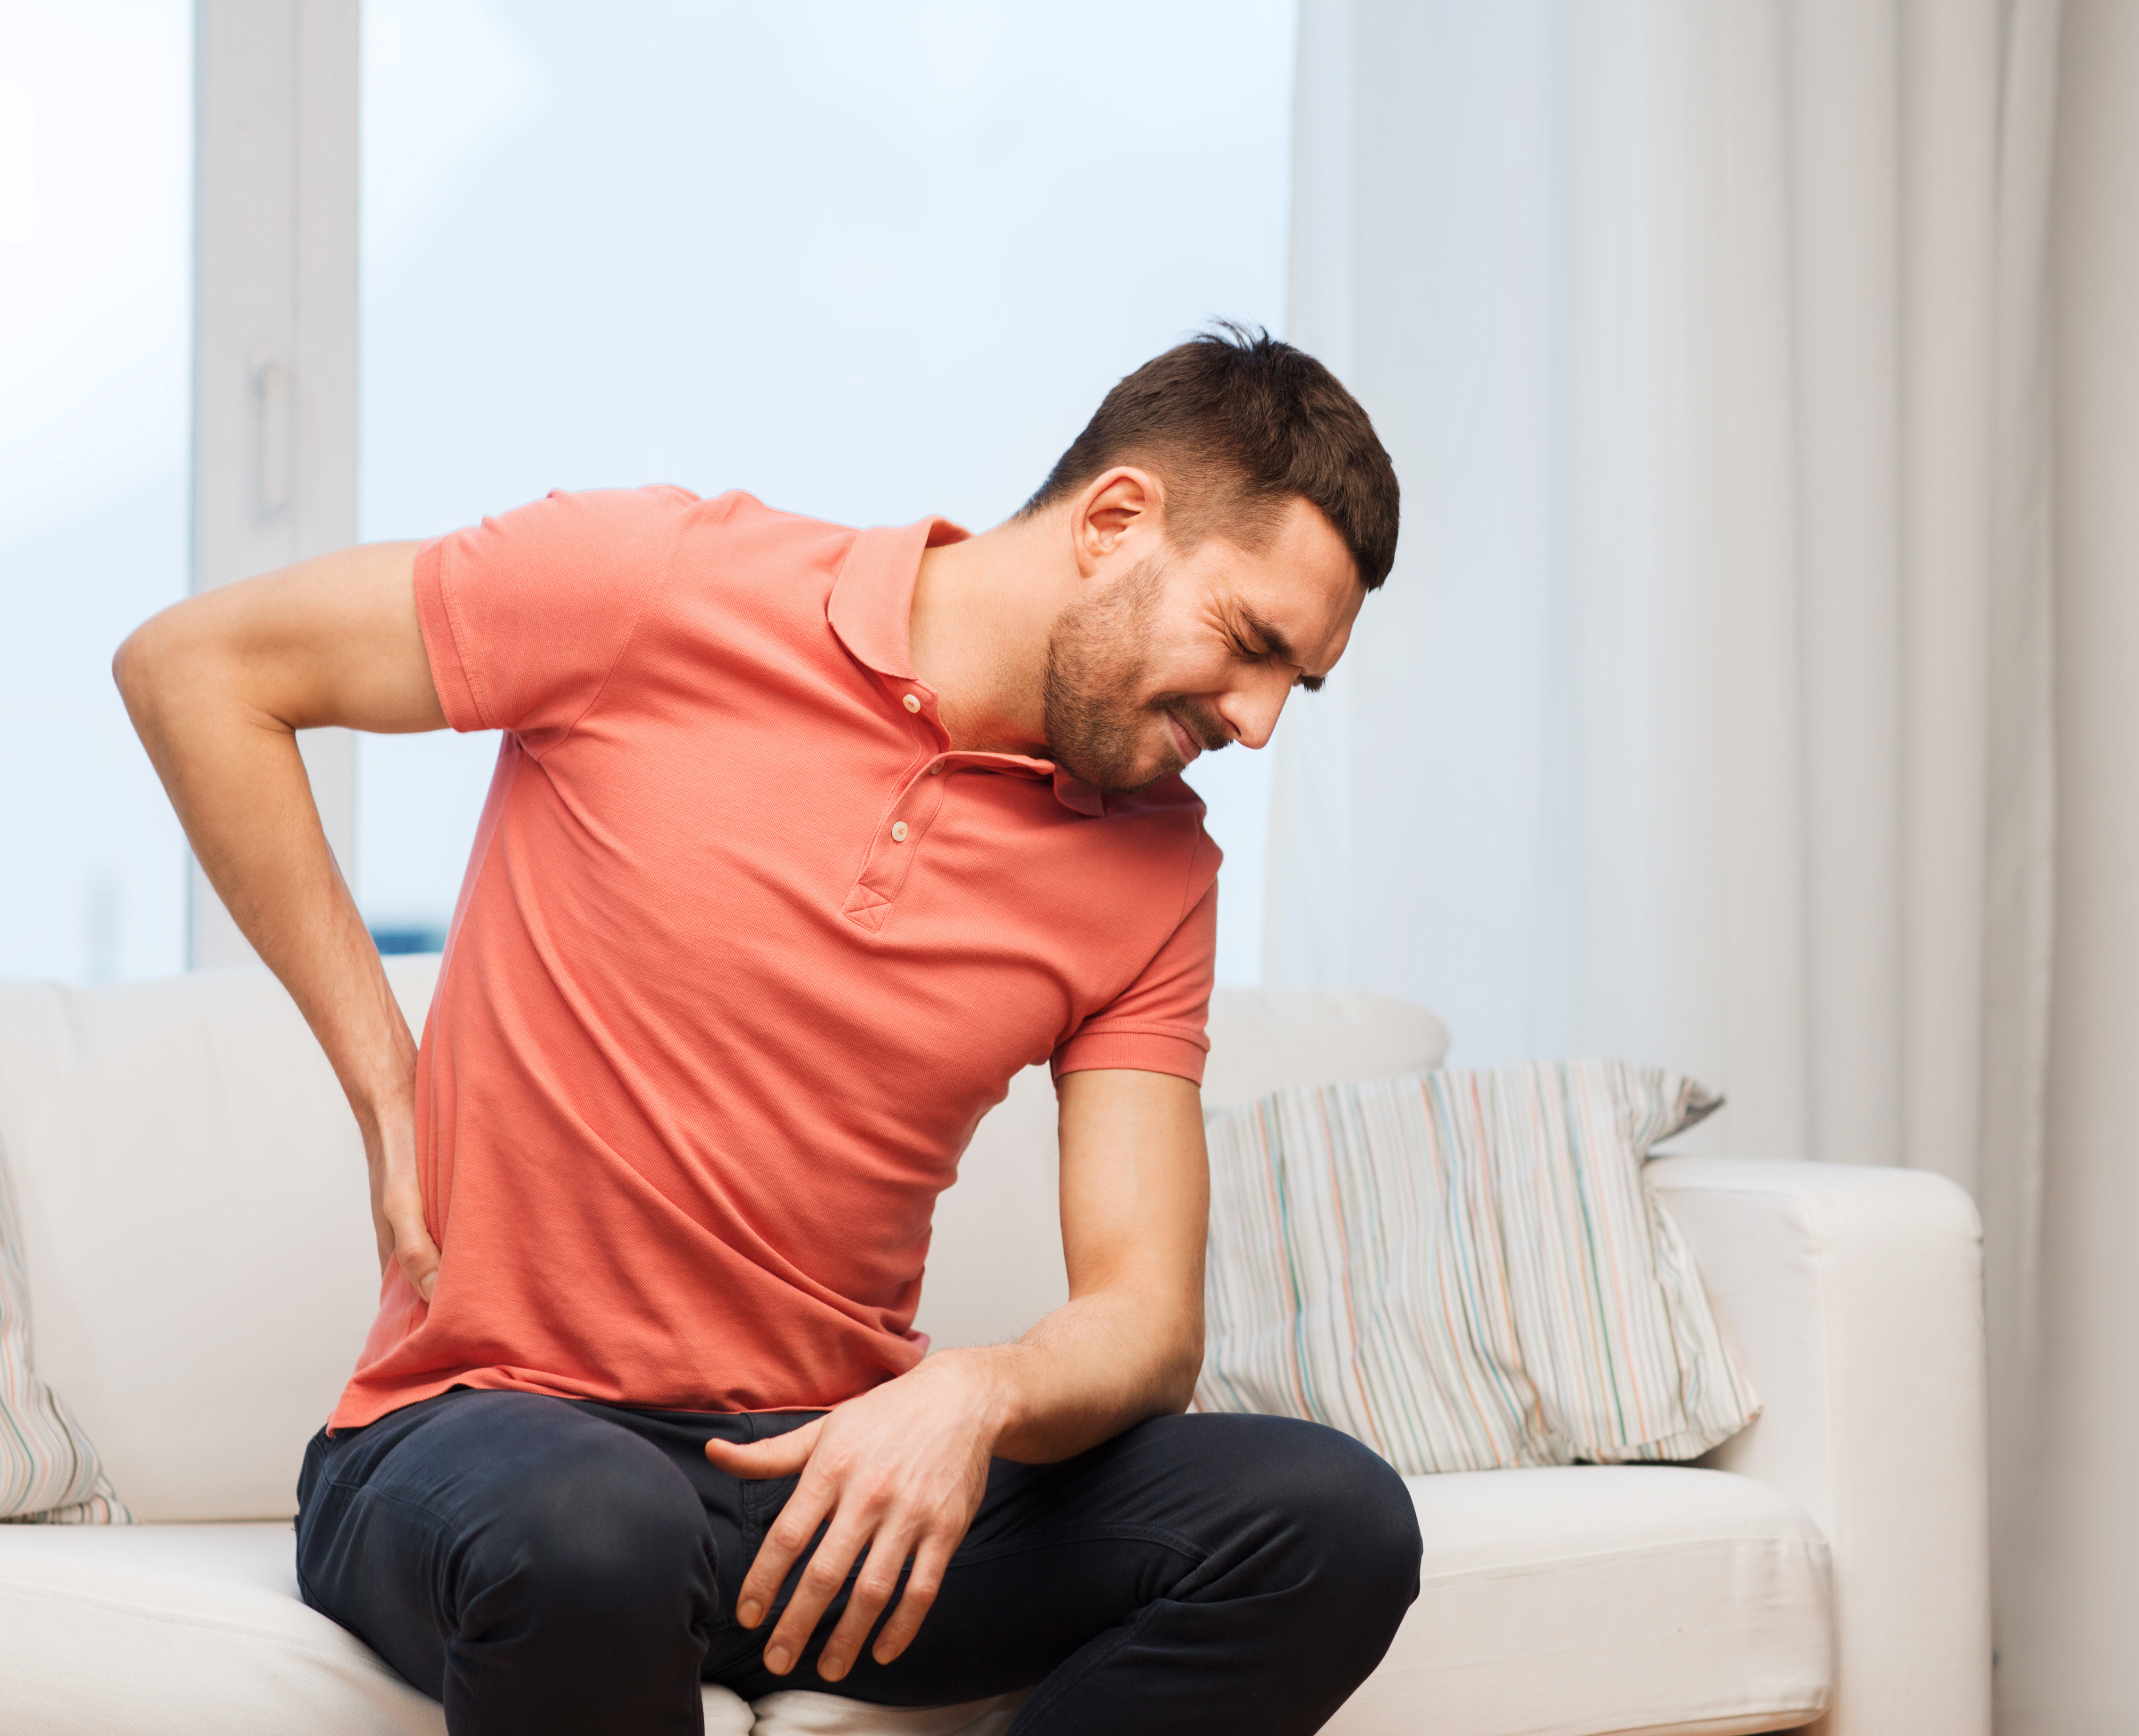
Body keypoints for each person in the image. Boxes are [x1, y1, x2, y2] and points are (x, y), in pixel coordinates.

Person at [116, 325, 1417, 1736]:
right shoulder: (657, 585)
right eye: (1251, 643)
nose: (1261, 720)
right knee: (593, 1524)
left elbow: (1148, 1322)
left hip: (819, 1498)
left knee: (1330, 1521)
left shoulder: (1159, 870)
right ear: (1116, 520)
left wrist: (975, 1394)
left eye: (1302, 682)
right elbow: (196, 670)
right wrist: (387, 1082)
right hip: (487, 1439)